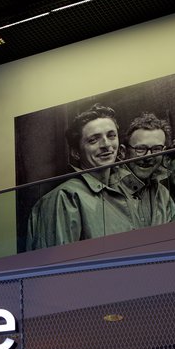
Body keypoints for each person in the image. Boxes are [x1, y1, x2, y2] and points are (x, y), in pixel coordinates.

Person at [27, 104, 162, 249]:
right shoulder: (64, 197)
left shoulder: (127, 190)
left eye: (111, 136)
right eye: (93, 140)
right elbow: (57, 267)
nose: (106, 144)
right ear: (76, 152)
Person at [119, 112, 175, 226]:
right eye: (140, 149)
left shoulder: (163, 194)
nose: (148, 157)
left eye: (156, 149)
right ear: (123, 152)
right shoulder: (108, 189)